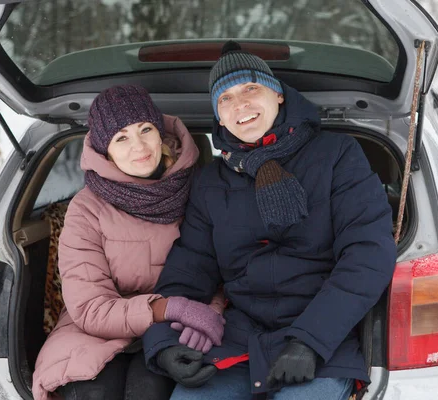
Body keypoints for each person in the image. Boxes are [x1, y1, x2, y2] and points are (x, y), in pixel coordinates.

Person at [142, 41, 397, 400]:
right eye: (225, 98)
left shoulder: (337, 156)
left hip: (324, 342)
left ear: (277, 94)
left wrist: (310, 340)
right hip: (237, 342)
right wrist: (164, 342)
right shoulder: (211, 181)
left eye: (250, 88)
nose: (240, 104)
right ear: (218, 114)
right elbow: (189, 270)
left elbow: (367, 255)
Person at [31, 84, 226, 400]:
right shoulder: (86, 208)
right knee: (94, 393)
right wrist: (170, 308)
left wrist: (209, 314)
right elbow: (90, 307)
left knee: (150, 392)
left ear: (160, 133)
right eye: (121, 137)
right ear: (104, 150)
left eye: (145, 129)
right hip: (95, 330)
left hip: (180, 325)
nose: (139, 146)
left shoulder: (202, 191)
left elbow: (227, 274)